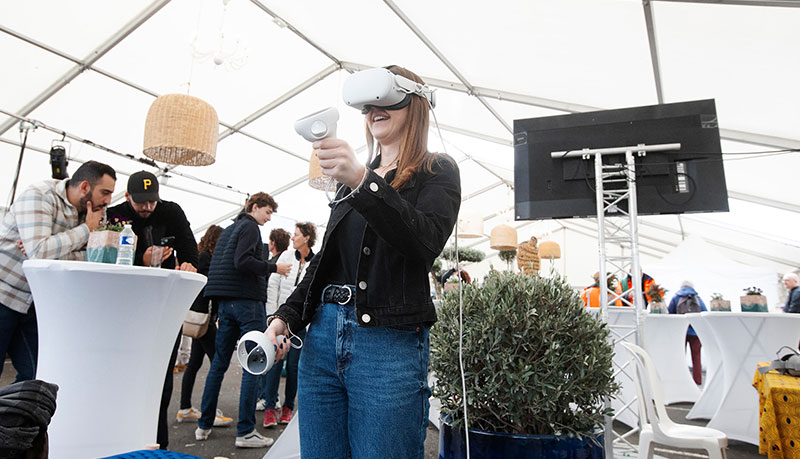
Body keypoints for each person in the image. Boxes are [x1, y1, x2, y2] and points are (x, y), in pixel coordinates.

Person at [266, 65, 461, 458]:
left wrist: (363, 181)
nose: (373, 110)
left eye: (384, 99)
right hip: (321, 339)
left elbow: (424, 242)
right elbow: (327, 257)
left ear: (416, 103)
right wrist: (285, 316)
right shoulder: (351, 180)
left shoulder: (437, 170)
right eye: (366, 105)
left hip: (386, 344)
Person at [106, 170, 198, 450]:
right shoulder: (113, 215)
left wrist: (188, 264)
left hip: (163, 307)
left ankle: (158, 442)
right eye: (140, 202)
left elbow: (189, 247)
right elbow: (105, 259)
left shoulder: (172, 212)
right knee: (125, 374)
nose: (146, 208)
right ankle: (120, 438)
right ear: (127, 196)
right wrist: (140, 258)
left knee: (161, 377)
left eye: (151, 202)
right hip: (125, 309)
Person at [0, 160, 116, 383]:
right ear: (84, 187)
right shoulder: (40, 195)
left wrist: (50, 249)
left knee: (39, 376)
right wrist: (86, 231)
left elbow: (97, 257)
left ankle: (14, 418)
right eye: (105, 192)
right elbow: (40, 252)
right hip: (4, 294)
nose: (109, 200)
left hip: (36, 303)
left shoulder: (93, 211)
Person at [195, 192, 291, 449]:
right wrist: (273, 268)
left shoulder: (229, 230)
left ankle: (203, 424)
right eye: (267, 212)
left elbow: (223, 265)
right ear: (255, 207)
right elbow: (243, 261)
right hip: (247, 303)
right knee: (253, 364)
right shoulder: (249, 228)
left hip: (225, 303)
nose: (269, 218)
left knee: (218, 363)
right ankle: (246, 431)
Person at [175, 225, 233, 428]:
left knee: (195, 363)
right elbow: (211, 286)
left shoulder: (201, 256)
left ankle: (185, 408)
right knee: (218, 362)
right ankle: (209, 412)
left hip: (200, 319)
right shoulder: (207, 259)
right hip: (204, 319)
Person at [262, 223, 316, 427]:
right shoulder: (285, 257)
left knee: (294, 367)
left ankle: (287, 407)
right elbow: (272, 286)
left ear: (307, 238)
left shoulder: (316, 260)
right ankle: (269, 407)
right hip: (281, 319)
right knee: (274, 364)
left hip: (301, 325)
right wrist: (273, 317)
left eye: (296, 235)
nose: (293, 238)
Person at [256, 228, 291, 412]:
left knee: (270, 360)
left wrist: (273, 318)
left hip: (273, 317)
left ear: (274, 243)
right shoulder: (281, 263)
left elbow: (272, 292)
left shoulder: (276, 264)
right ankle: (270, 397)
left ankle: (267, 397)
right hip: (277, 317)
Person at [667, 280, 707, 385]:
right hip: (695, 332)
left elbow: (669, 313)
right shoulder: (697, 298)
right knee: (696, 357)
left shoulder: (676, 297)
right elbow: (705, 312)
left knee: (680, 356)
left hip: (681, 332)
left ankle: (680, 381)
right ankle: (697, 381)